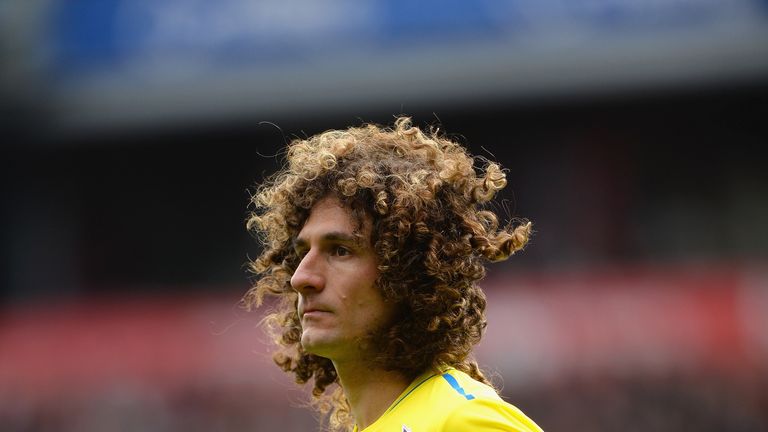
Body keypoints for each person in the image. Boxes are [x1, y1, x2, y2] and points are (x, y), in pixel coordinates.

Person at [243, 117, 542, 432]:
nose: (301, 278)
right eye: (303, 253)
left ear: (408, 271)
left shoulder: (462, 420)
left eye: (340, 251)